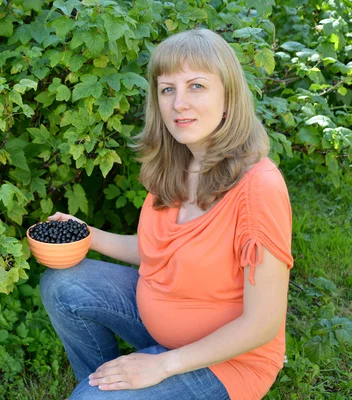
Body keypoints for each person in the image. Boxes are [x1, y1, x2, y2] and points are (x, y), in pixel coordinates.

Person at [39, 28, 293, 400]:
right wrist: (87, 234)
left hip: (229, 360)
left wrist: (163, 365)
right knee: (62, 285)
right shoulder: (175, 166)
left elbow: (261, 324)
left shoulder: (259, 188)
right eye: (167, 89)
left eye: (196, 86)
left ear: (228, 98)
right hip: (159, 323)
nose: (179, 104)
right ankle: (106, 382)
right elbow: (154, 250)